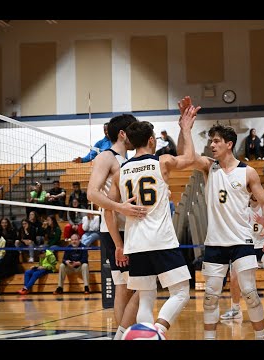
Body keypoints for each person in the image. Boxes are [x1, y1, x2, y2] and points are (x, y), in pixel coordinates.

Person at [105, 104, 199, 339]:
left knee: (146, 298)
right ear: (151, 140)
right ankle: (158, 330)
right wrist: (186, 128)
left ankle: (144, 335)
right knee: (180, 293)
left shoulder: (120, 171)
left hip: (135, 244)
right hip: (161, 240)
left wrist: (118, 243)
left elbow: (107, 210)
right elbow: (189, 157)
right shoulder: (162, 162)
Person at [190, 123, 264, 340]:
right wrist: (185, 128)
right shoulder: (209, 167)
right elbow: (189, 155)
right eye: (210, 141)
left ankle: (260, 337)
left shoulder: (248, 171)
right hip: (215, 242)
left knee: (250, 293)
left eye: (216, 141)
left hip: (242, 241)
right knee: (210, 296)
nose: (212, 145)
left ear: (229, 144)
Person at [86, 113, 143, 340]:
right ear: (122, 133)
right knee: (131, 285)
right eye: (133, 129)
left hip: (127, 227)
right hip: (113, 230)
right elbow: (92, 194)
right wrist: (120, 208)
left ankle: (124, 334)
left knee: (126, 286)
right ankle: (122, 335)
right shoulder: (106, 157)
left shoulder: (126, 161)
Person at [220, 193, 264, 321]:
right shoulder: (242, 210)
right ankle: (236, 309)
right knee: (234, 276)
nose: (253, 194)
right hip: (248, 246)